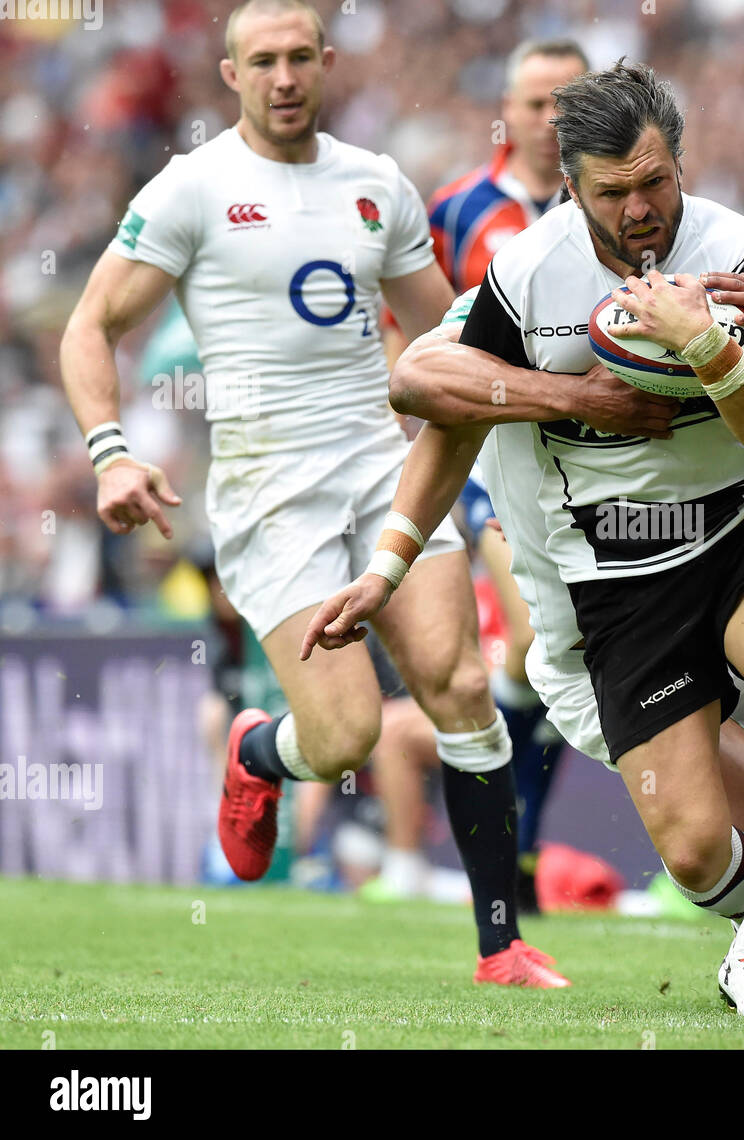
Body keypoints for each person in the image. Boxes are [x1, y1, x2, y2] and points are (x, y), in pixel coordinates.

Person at [304, 62, 744, 1016]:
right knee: (731, 856)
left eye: (655, 180)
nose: (640, 209)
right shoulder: (527, 272)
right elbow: (426, 395)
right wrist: (394, 561)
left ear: (680, 161)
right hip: (617, 595)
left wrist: (713, 346)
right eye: (614, 191)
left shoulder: (739, 252)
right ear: (570, 184)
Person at [58, 0, 566, 987]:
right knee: (346, 737)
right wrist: (111, 453)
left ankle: (500, 944)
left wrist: (545, 377)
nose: (284, 77)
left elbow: (445, 329)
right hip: (267, 491)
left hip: (383, 466)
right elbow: (89, 324)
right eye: (264, 62)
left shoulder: (376, 185)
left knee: (463, 689)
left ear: (327, 63)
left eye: (300, 57)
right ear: (230, 75)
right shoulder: (192, 189)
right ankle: (259, 756)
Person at [379, 40, 591, 911]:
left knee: (562, 652)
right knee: (549, 642)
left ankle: (524, 851)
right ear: (506, 111)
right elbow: (408, 330)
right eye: (536, 104)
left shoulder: (618, 211)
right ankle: (515, 857)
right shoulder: (460, 211)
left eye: (567, 104)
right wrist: (415, 430)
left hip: (588, 464)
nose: (551, 122)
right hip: (487, 465)